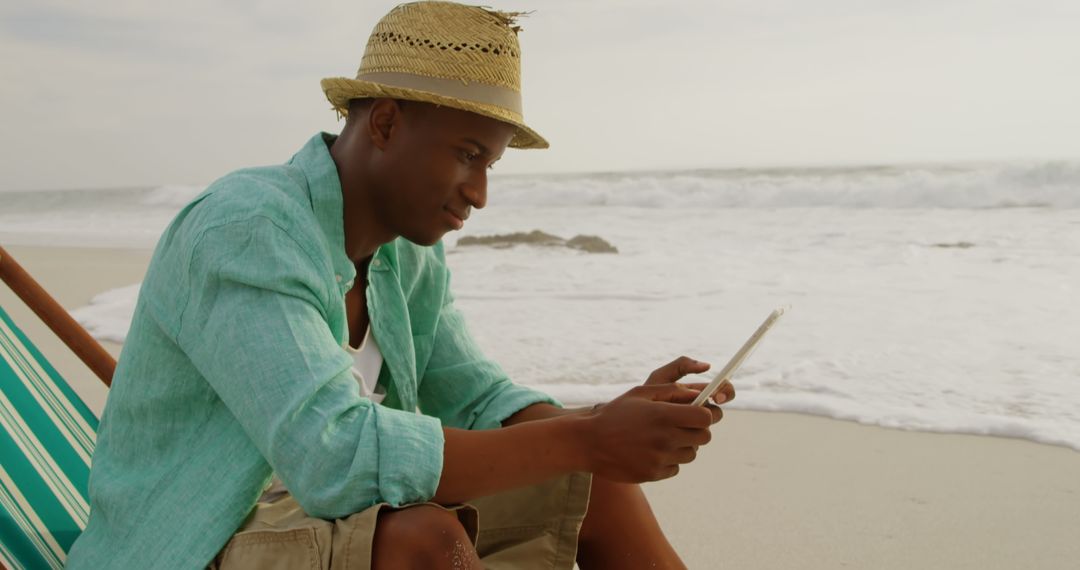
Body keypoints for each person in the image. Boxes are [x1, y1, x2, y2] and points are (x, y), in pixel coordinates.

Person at [65, 2, 734, 568]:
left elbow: (475, 393)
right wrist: (585, 437)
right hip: (194, 535)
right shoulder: (247, 226)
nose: (479, 194)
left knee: (591, 483)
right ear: (384, 123)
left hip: (302, 515)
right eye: (468, 155)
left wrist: (607, 425)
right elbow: (333, 454)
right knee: (425, 543)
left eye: (490, 164)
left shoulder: (404, 252)